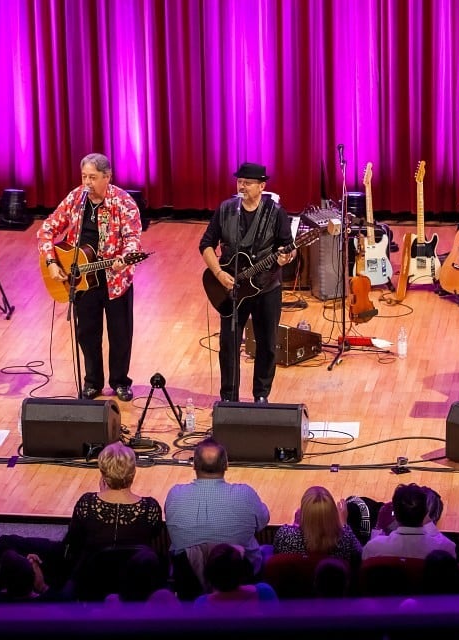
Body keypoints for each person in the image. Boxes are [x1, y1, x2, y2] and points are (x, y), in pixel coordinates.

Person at [37, 153, 142, 402]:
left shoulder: (124, 203)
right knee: (87, 332)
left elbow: (133, 240)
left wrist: (122, 259)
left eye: (93, 177)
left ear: (108, 177)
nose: (87, 182)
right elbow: (46, 230)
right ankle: (92, 381)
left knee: (120, 333)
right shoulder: (76, 198)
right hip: (82, 278)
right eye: (84, 176)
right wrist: (52, 261)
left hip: (115, 280)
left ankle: (119, 381)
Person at [199, 162, 295, 403]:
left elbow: (288, 248)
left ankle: (261, 395)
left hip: (267, 288)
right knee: (229, 345)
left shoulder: (276, 213)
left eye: (248, 183)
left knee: (267, 344)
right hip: (231, 289)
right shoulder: (226, 210)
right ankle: (229, 398)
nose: (242, 187)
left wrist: (286, 257)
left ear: (262, 186)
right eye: (239, 182)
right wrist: (219, 275)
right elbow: (206, 244)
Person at [60, 442, 163, 595]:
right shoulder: (150, 507)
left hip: (93, 586)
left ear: (102, 474)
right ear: (133, 473)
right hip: (136, 586)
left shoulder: (87, 503)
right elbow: (153, 539)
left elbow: (74, 541)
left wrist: (103, 494)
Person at [164, 438, 270, 577]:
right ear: (226, 465)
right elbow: (263, 521)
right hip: (239, 578)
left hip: (189, 581)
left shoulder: (175, 494)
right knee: (268, 550)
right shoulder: (245, 494)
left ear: (194, 465)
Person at [361, 483, 456, 561]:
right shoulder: (445, 549)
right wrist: (428, 521)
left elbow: (368, 560)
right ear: (427, 513)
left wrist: (379, 526)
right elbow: (444, 542)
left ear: (395, 516)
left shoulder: (374, 548)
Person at [272, 486, 363, 567]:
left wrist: (296, 525)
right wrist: (344, 523)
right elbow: (361, 556)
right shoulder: (345, 538)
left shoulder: (284, 535)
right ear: (333, 514)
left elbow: (277, 554)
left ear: (303, 514)